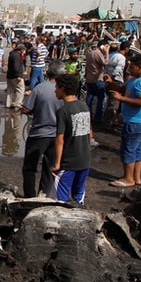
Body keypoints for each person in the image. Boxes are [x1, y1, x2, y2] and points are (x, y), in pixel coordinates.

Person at [106, 53, 141, 187]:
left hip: (137, 121)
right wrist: (111, 84)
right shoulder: (134, 79)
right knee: (137, 149)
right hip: (137, 120)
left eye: (132, 67)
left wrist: (120, 98)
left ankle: (128, 178)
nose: (129, 69)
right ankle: (136, 178)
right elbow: (123, 89)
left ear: (140, 67)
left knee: (128, 149)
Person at [22, 61, 65, 198]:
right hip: (58, 136)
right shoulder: (65, 91)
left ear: (47, 73)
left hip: (38, 134)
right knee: (49, 168)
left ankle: (30, 196)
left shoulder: (40, 88)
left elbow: (26, 108)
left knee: (30, 168)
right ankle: (44, 196)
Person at [50, 74, 91, 204]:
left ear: (62, 89)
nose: (55, 90)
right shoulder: (84, 106)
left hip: (69, 162)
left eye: (56, 87)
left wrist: (57, 164)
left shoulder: (63, 111)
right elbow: (90, 133)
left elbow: (60, 139)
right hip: (85, 160)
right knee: (79, 196)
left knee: (61, 200)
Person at [84, 39, 110, 122]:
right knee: (101, 97)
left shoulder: (90, 53)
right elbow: (105, 63)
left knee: (89, 98)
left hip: (89, 79)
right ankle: (98, 117)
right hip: (97, 79)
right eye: (106, 46)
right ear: (102, 46)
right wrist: (107, 53)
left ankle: (89, 115)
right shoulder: (98, 53)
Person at [6, 43, 26, 109]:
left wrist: (22, 55)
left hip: (9, 75)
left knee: (10, 90)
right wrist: (18, 75)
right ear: (21, 49)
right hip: (15, 76)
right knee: (21, 89)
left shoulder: (12, 53)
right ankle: (18, 103)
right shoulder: (17, 56)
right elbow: (16, 66)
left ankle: (8, 104)